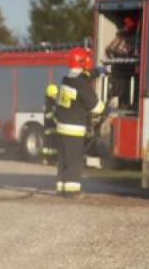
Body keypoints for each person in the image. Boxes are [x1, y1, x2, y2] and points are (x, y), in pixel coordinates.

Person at [54, 47, 105, 196]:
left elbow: (85, 76)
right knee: (74, 160)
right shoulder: (81, 85)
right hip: (73, 129)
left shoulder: (67, 80)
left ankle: (61, 188)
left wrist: (99, 71)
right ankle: (72, 192)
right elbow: (97, 108)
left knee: (64, 158)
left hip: (62, 127)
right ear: (83, 63)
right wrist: (108, 107)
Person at [41, 82, 59, 165]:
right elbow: (48, 115)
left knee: (52, 146)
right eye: (55, 94)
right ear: (51, 94)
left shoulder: (51, 103)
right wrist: (55, 117)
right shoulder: (50, 104)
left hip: (51, 127)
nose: (56, 95)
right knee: (48, 145)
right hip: (49, 127)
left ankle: (51, 160)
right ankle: (46, 159)